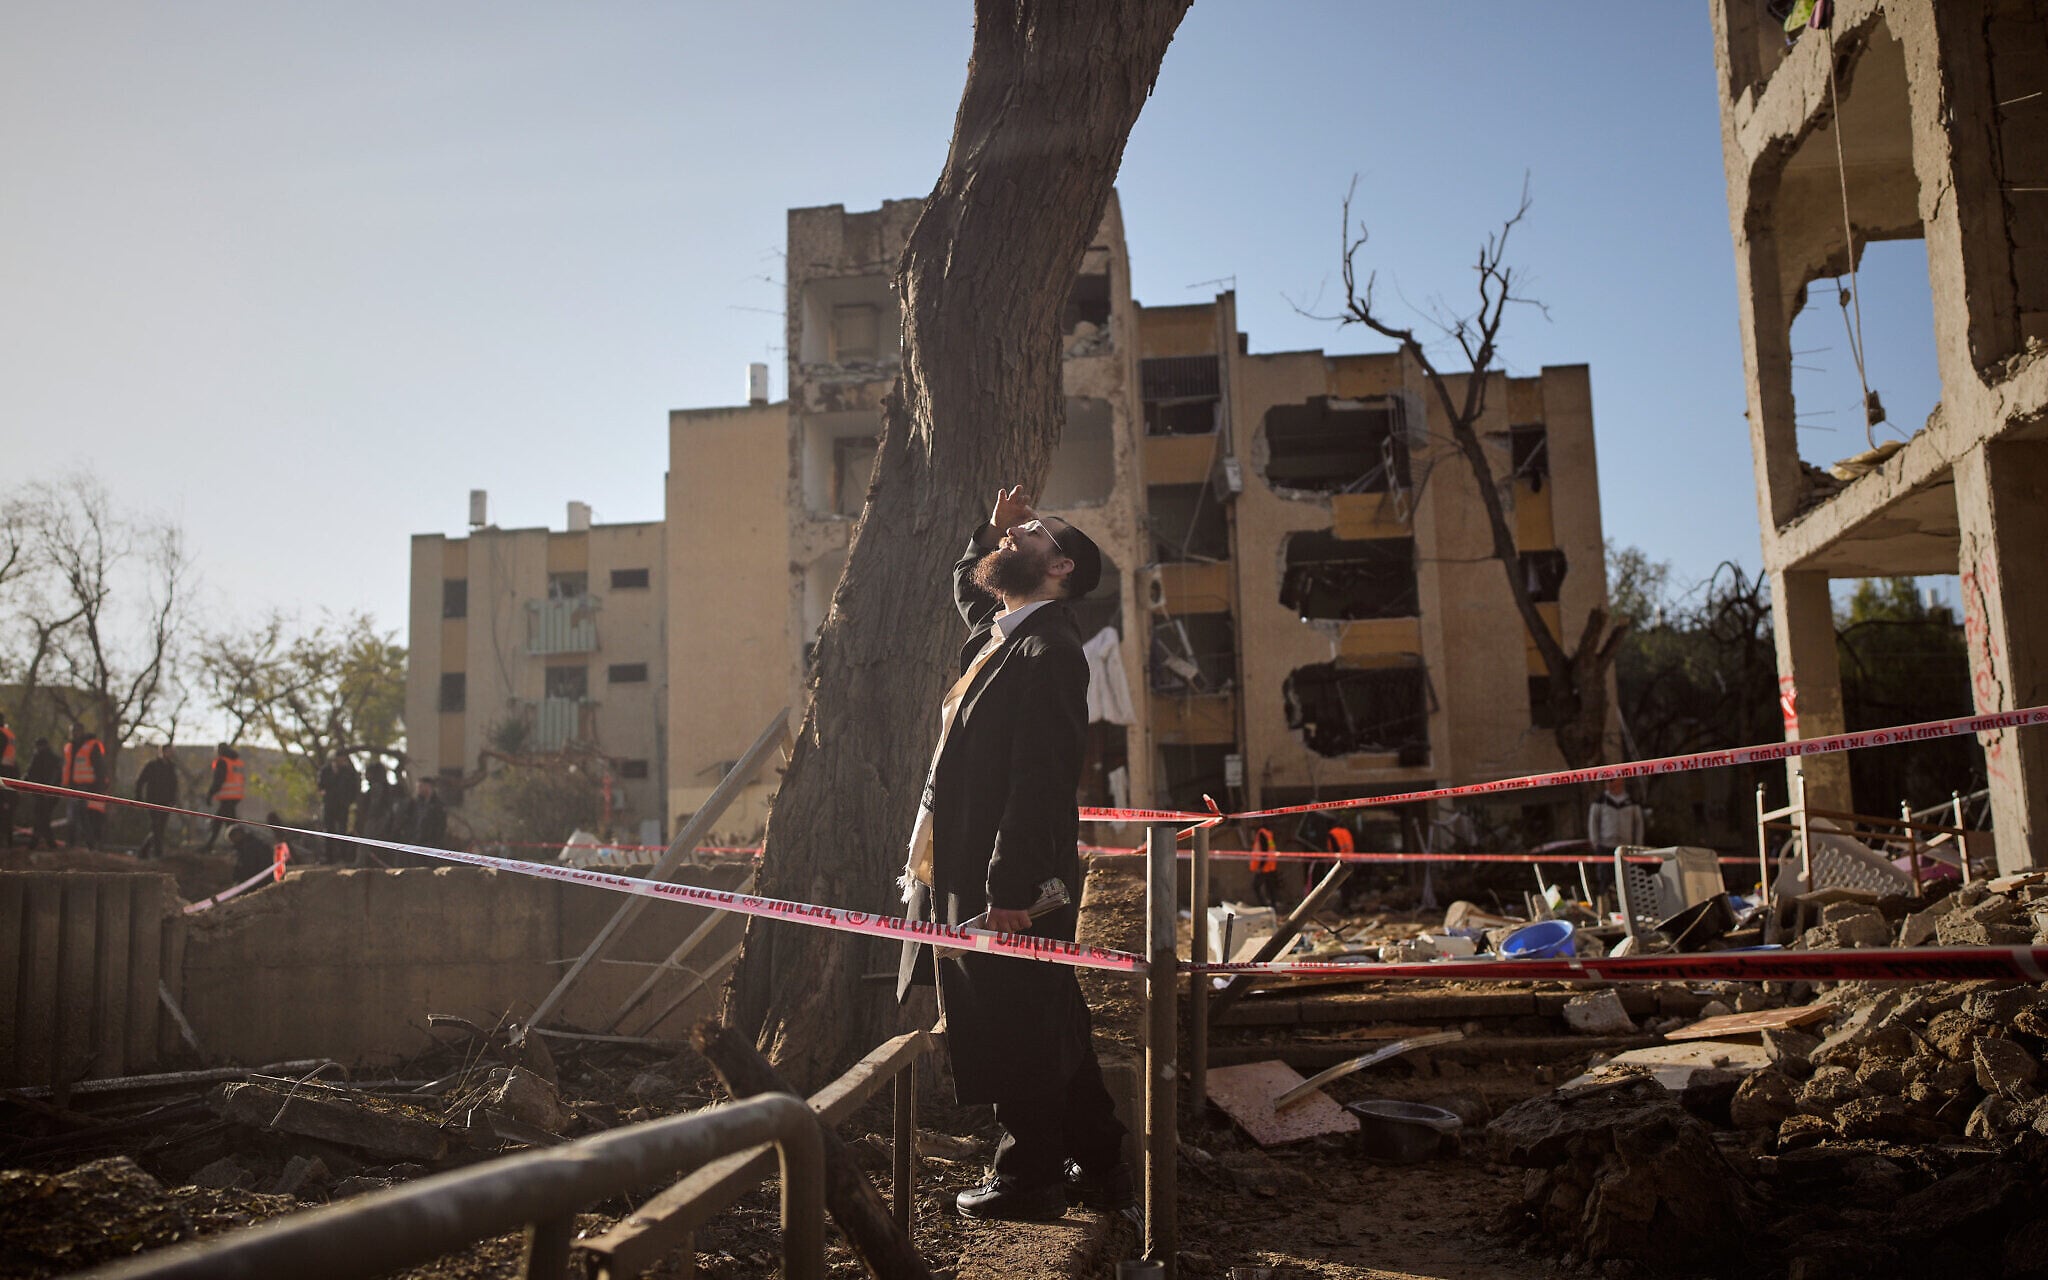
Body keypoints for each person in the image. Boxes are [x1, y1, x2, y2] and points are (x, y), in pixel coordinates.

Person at [895, 485, 1129, 1222]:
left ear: (1060, 565)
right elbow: (971, 593)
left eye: (1033, 532)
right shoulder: (1005, 631)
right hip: (977, 867)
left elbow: (1042, 780)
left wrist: (1013, 886)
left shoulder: (1049, 648)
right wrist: (986, 535)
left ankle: (1028, 1181)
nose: (1016, 531)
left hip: (1013, 880)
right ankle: (1104, 1165)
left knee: (1014, 1022)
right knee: (1049, 1014)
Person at [1587, 777, 1646, 883]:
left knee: (1627, 880)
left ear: (1621, 780)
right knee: (1606, 879)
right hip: (1606, 847)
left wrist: (1638, 845)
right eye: (1606, 781)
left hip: (1626, 847)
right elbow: (1593, 823)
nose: (1609, 784)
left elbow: (1638, 825)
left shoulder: (1632, 802)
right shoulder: (1600, 801)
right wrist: (1595, 842)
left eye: (1611, 780)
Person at [62, 724, 108, 851]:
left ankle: (91, 846)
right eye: (72, 731)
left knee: (85, 818)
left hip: (87, 786)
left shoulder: (91, 745)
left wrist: (99, 788)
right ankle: (71, 845)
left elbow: (100, 767)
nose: (74, 734)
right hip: (72, 787)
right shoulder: (69, 747)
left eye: (76, 731)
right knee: (72, 817)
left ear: (82, 731)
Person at [134, 743, 180, 858]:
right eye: (168, 751)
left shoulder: (172, 767)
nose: (170, 753)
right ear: (162, 752)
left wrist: (173, 799)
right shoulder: (152, 765)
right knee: (156, 826)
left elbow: (174, 785)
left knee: (160, 828)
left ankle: (143, 852)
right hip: (153, 800)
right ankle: (158, 854)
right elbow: (140, 781)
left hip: (166, 802)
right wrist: (138, 797)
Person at [317, 749, 361, 860]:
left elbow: (354, 787)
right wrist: (325, 795)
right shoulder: (325, 770)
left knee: (342, 831)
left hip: (342, 805)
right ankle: (329, 857)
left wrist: (349, 800)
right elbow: (320, 786)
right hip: (329, 805)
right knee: (329, 830)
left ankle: (343, 856)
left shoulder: (348, 772)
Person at [200, 743, 245, 852]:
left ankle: (239, 848)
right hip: (236, 796)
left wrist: (210, 794)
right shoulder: (236, 762)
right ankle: (210, 845)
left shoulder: (222, 761)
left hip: (227, 796)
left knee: (225, 823)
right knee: (224, 822)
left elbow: (218, 781)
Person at [25, 738, 60, 850]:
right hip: (41, 793)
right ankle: (47, 843)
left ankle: (39, 842)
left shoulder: (50, 758)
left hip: (48, 793)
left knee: (42, 818)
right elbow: (30, 773)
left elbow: (56, 775)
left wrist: (49, 790)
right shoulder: (39, 757)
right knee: (42, 818)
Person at [0, 709, 17, 850]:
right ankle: (8, 842)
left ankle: (6, 844)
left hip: (3, 774)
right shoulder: (8, 734)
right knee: (7, 811)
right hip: (9, 774)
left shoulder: (1, 735)